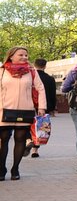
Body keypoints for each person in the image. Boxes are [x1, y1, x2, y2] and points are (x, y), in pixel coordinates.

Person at [1, 47, 47, 181]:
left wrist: (42, 107)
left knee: (20, 139)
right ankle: (1, 169)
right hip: (4, 111)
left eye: (26, 55)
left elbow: (40, 88)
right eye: (20, 55)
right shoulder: (2, 71)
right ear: (11, 56)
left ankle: (15, 168)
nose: (24, 57)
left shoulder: (31, 71)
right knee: (3, 140)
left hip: (25, 110)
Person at [29, 58, 57, 158]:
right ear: (45, 66)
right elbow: (53, 94)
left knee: (28, 125)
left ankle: (28, 140)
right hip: (43, 107)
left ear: (34, 65)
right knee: (40, 128)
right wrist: (52, 108)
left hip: (29, 105)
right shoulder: (50, 78)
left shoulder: (30, 76)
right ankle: (35, 149)